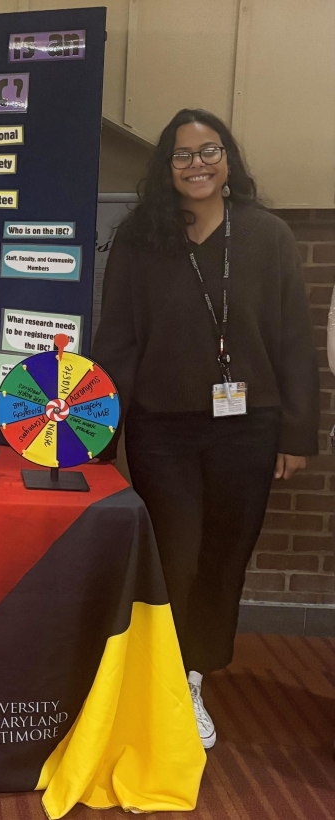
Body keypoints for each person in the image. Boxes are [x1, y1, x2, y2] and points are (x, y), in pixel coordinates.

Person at [93, 109, 318, 750]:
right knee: (176, 556)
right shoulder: (142, 237)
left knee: (224, 558)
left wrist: (297, 436)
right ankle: (164, 673)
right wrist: (100, 438)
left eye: (208, 150)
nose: (197, 164)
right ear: (166, 168)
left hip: (249, 430)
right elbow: (118, 342)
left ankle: (194, 676)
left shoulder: (267, 236)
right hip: (161, 431)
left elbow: (293, 341)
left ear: (228, 159)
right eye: (183, 154)